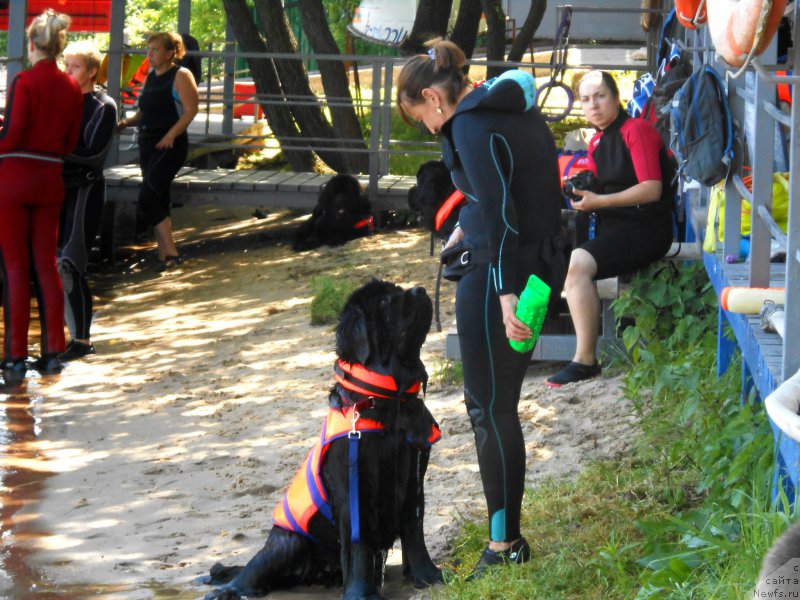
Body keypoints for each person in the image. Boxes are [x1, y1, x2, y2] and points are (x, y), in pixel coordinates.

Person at [397, 40, 566, 577]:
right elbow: (522, 191)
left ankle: (505, 545)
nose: (425, 126)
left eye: (418, 114)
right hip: (542, 261)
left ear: (431, 96)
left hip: (511, 273)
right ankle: (504, 537)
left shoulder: (469, 126)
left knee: (489, 407)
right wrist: (467, 229)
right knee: (496, 402)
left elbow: (501, 213)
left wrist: (504, 290)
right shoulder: (508, 103)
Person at [545, 70, 674, 387]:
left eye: (600, 96)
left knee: (577, 264)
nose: (594, 105)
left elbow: (651, 189)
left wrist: (599, 201)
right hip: (615, 226)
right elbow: (604, 188)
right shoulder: (598, 141)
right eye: (586, 100)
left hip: (647, 227)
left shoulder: (637, 130)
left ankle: (585, 360)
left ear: (616, 98)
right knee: (555, 249)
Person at [0, 9, 84, 383]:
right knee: (46, 264)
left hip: (14, 182)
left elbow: (12, 135)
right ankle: (53, 350)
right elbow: (69, 143)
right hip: (50, 179)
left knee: (16, 268)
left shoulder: (24, 81)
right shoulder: (71, 86)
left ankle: (16, 357)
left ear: (31, 44)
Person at [117, 31, 199, 271]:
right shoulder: (152, 77)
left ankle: (171, 251)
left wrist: (171, 134)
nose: (149, 54)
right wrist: (125, 123)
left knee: (148, 194)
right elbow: (144, 111)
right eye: (148, 49)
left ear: (170, 52)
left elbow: (191, 110)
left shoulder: (181, 75)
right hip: (147, 141)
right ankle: (164, 253)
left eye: (154, 50)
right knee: (159, 194)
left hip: (170, 144)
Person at [59, 40, 118, 361]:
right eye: (65, 65)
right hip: (57, 191)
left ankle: (82, 340)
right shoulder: (62, 101)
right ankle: (67, 338)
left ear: (92, 71)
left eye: (75, 67)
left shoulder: (103, 106)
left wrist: (52, 146)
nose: (68, 72)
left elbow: (94, 154)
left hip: (85, 190)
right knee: (55, 265)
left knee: (71, 265)